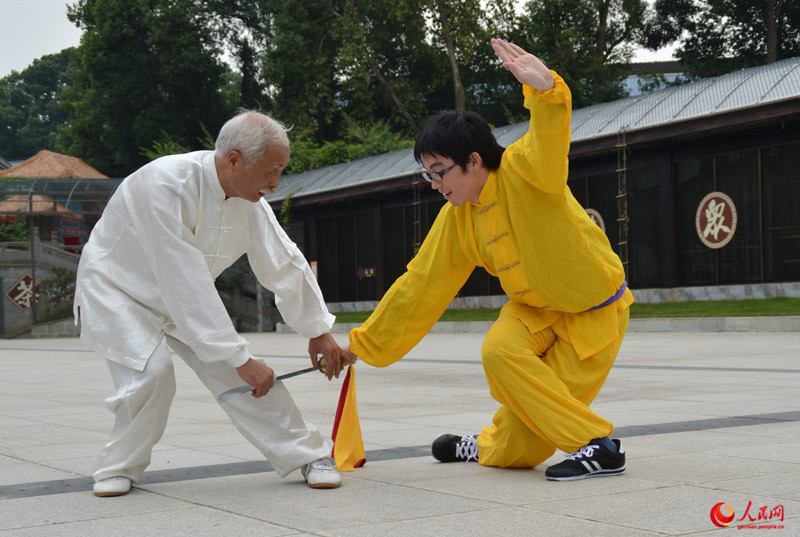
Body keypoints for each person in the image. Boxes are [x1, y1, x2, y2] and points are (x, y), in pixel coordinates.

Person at [342, 39, 634, 481]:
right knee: (498, 349)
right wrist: (359, 346)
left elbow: (549, 136)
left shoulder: (526, 169)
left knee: (523, 448)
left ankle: (583, 447)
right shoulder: (457, 218)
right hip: (533, 312)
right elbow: (421, 285)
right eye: (428, 173)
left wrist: (547, 92)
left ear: (473, 161)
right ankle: (593, 443)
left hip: (592, 313)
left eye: (439, 170)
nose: (434, 183)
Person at [75, 110, 347, 497]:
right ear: (234, 159)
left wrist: (318, 330)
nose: (276, 183)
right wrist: (240, 358)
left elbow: (283, 260)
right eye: (272, 171)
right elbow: (181, 277)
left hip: (182, 298)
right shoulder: (164, 184)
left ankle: (308, 455)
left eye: (280, 170)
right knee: (152, 375)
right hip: (118, 291)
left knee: (242, 373)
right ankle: (118, 466)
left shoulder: (248, 198)